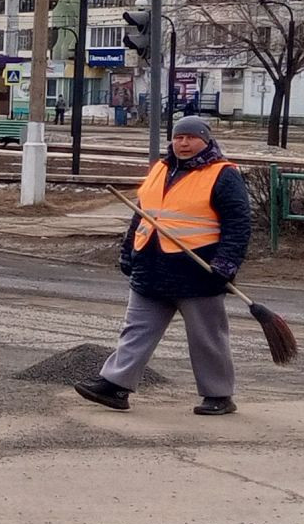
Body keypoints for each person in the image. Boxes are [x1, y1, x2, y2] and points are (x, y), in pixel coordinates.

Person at [75, 115, 251, 416]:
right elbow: (142, 214)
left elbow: (238, 223)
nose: (183, 143)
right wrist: (129, 251)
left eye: (191, 137)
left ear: (205, 140)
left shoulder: (223, 174)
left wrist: (226, 262)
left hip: (198, 270)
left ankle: (219, 394)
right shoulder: (160, 169)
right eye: (178, 137)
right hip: (151, 265)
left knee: (207, 336)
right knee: (136, 330)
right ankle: (116, 385)